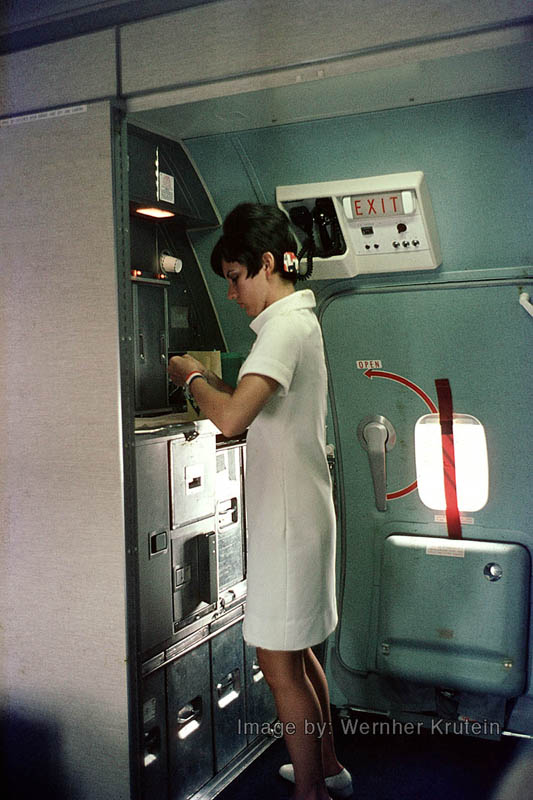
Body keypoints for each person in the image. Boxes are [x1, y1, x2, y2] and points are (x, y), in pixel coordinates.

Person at [168, 203, 352, 800]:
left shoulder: (284, 327)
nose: (230, 292)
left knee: (278, 664)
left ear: (267, 264)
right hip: (299, 513)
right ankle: (324, 767)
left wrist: (190, 377)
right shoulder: (298, 322)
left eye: (235, 276)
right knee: (297, 651)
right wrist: (213, 381)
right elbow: (254, 401)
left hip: (286, 523)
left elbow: (230, 418)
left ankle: (310, 794)